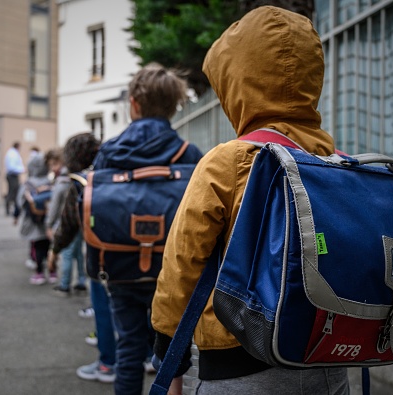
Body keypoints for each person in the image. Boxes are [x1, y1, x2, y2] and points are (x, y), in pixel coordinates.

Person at [151, 7, 350, 395]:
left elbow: (182, 264)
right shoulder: (338, 162)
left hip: (237, 364)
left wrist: (168, 358)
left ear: (235, 82)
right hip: (328, 358)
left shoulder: (231, 160)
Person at [90, 63, 203, 395]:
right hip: (173, 268)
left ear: (133, 103)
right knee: (173, 354)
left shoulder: (109, 152)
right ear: (173, 105)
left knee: (127, 351)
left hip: (120, 264)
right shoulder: (188, 153)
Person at [47, 133, 117, 383]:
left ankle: (107, 364)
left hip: (100, 257)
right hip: (136, 250)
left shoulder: (82, 181)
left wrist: (54, 251)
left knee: (103, 308)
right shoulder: (118, 170)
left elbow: (67, 224)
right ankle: (145, 357)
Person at [44, 148, 87, 296]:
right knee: (79, 254)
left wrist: (49, 224)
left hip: (67, 223)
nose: (53, 168)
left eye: (55, 164)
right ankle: (81, 282)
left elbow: (55, 207)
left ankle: (64, 284)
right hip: (81, 221)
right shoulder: (79, 178)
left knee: (67, 254)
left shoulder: (61, 182)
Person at [15, 153, 56, 285]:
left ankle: (39, 273)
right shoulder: (50, 182)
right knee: (50, 246)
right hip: (49, 220)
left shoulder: (28, 183)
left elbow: (20, 202)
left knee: (37, 247)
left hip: (33, 222)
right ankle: (52, 272)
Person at [4, 142, 25, 216]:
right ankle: (10, 209)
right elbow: (12, 167)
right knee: (12, 193)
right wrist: (22, 170)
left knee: (14, 192)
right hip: (12, 175)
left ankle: (14, 209)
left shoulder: (11, 152)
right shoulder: (13, 154)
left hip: (12, 175)